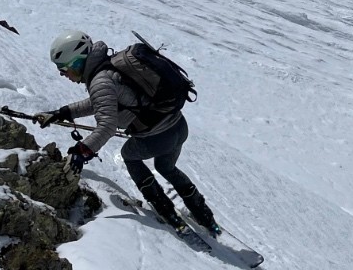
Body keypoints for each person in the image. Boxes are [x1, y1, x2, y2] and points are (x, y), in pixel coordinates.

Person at [35, 30, 219, 237]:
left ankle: (168, 213)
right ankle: (206, 217)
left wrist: (81, 152)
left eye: (64, 69)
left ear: (77, 62)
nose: (63, 74)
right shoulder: (110, 65)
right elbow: (103, 102)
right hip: (178, 126)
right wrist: (64, 112)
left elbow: (107, 126)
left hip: (158, 136)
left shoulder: (100, 81)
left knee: (129, 156)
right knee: (166, 167)